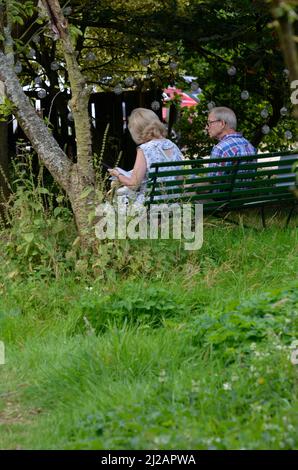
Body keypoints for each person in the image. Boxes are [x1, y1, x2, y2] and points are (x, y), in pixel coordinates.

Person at [108, 108, 183, 204]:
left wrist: (118, 175)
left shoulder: (145, 149)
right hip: (174, 201)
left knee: (115, 203)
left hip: (152, 203)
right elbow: (180, 179)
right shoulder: (172, 145)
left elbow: (134, 184)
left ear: (137, 131)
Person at [206, 106, 256, 177]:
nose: (206, 127)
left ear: (222, 124)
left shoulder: (220, 149)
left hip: (227, 188)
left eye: (210, 123)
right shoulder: (249, 145)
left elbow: (212, 183)